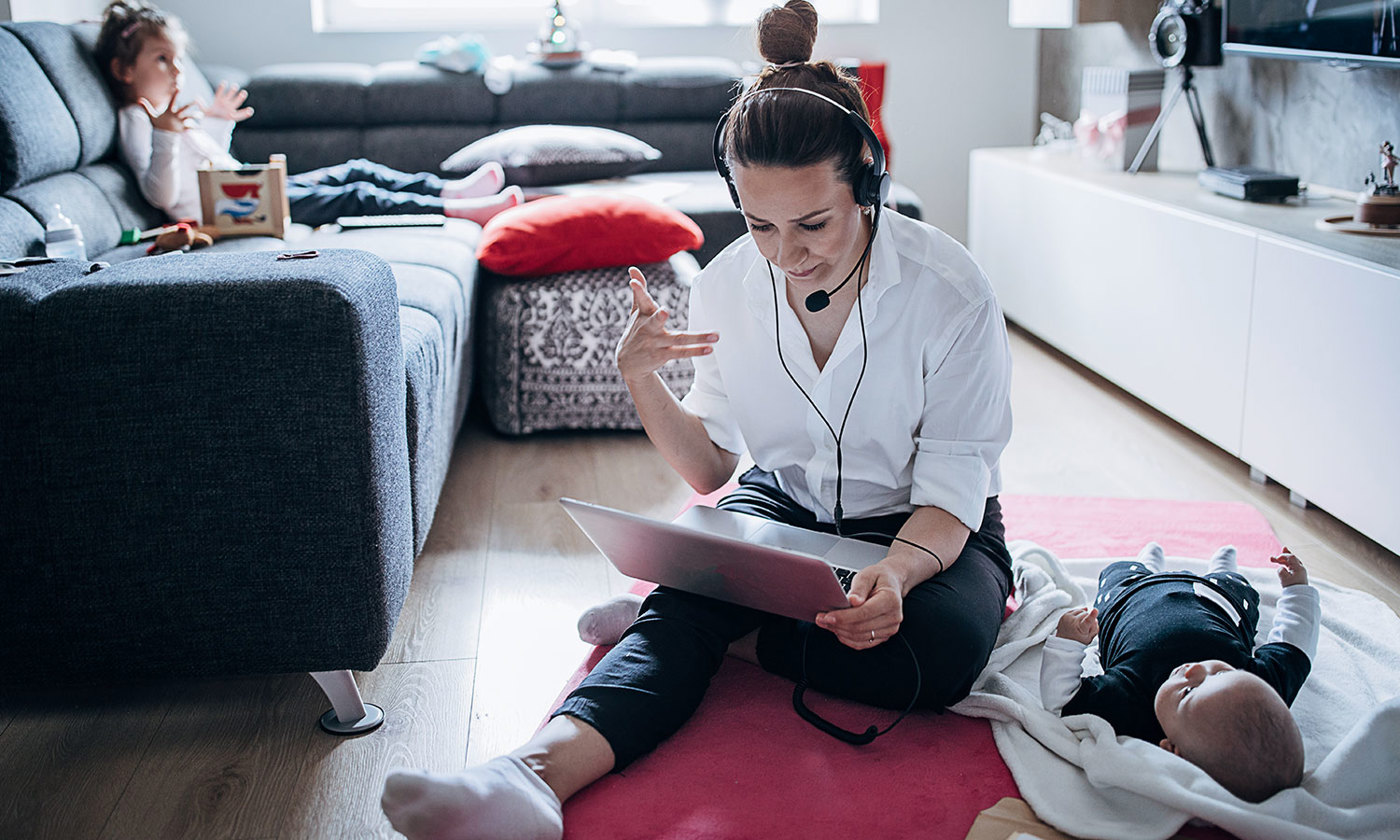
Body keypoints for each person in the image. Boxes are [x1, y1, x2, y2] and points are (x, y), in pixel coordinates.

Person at [378, 2, 1014, 837]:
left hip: (927, 524)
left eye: (813, 223)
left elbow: (954, 485)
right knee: (702, 576)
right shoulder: (728, 282)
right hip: (784, 503)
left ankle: (700, 621)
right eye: (760, 224)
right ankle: (532, 775)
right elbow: (716, 471)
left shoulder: (952, 291)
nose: (786, 255)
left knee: (945, 655)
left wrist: (894, 576)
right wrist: (642, 381)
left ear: (866, 177)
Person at [95, 1, 522, 230]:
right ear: (124, 69)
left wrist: (218, 123)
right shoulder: (137, 121)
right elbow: (163, 196)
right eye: (162, 60)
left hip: (243, 188)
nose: (178, 70)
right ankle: (456, 212)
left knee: (357, 170)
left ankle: (450, 192)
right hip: (233, 210)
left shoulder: (167, 116)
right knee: (356, 195)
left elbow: (211, 165)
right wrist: (166, 135)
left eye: (178, 59)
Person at [1039, 543, 1321, 803]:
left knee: (1116, 572)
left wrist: (1067, 642)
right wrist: (1298, 589)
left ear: (1172, 750)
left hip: (1129, 596)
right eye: (1220, 675)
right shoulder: (1259, 689)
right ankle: (1224, 566)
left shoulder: (1130, 706)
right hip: (1218, 596)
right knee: (1237, 585)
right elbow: (1296, 646)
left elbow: (1062, 700)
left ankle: (1147, 561)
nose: (1197, 669)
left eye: (1188, 692)